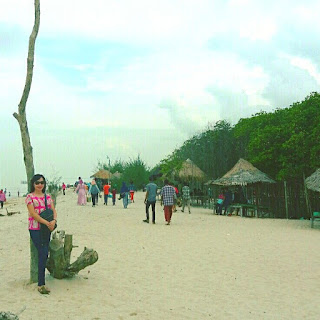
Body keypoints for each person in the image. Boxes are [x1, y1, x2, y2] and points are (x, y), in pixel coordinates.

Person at [25, 174, 57, 295]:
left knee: (44, 253)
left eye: (42, 183)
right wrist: (47, 222)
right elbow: (33, 214)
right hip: (35, 228)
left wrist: (53, 221)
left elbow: (53, 210)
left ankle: (41, 281)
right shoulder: (29, 197)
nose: (39, 185)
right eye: (37, 182)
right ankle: (41, 283)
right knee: (42, 252)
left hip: (46, 228)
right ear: (33, 184)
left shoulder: (47, 197)